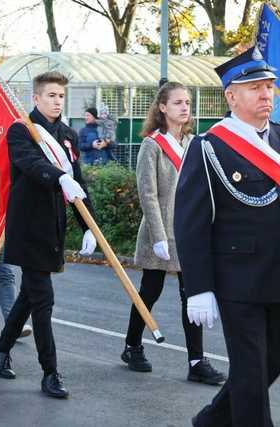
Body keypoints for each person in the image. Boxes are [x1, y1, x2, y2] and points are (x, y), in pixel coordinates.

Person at [176, 47, 280, 427]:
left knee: (269, 364)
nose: (266, 94)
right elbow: (190, 223)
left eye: (270, 86)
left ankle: (211, 421)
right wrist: (199, 287)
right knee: (251, 371)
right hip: (239, 281)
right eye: (255, 87)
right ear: (231, 96)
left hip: (277, 276)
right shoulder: (209, 147)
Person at [0, 71, 97, 399]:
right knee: (43, 300)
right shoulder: (22, 130)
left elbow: (77, 181)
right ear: (36, 98)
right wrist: (58, 177)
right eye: (50, 95)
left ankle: (1, 348)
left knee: (29, 296)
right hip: (27, 227)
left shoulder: (67, 135)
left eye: (61, 96)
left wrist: (88, 225)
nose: (56, 101)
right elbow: (30, 163)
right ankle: (50, 372)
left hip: (53, 227)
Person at [121, 82, 225, 385]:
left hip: (189, 234)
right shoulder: (152, 145)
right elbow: (148, 194)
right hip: (161, 231)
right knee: (150, 291)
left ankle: (196, 362)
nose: (185, 107)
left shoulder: (196, 143)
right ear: (162, 107)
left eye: (188, 102)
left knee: (191, 296)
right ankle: (132, 346)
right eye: (178, 102)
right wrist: (158, 235)